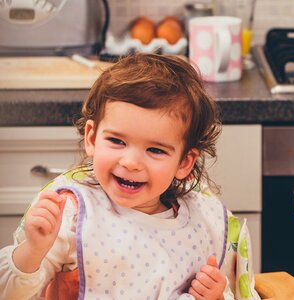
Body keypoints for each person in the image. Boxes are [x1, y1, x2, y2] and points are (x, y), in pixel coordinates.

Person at [0, 54, 260, 300]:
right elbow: (8, 292)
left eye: (155, 150)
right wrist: (33, 250)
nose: (131, 162)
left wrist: (216, 294)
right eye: (117, 141)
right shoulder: (71, 215)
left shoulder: (204, 223)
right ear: (92, 138)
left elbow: (233, 292)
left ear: (184, 162)